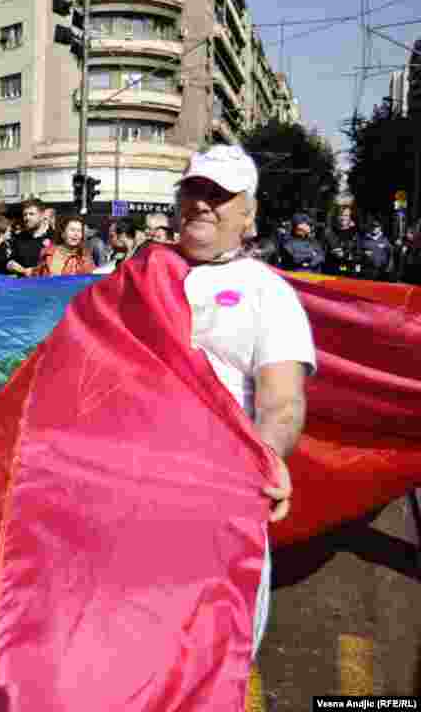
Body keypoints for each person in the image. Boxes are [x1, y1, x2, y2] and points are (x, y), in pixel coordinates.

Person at [175, 144, 316, 653]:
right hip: (130, 498)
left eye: (220, 193)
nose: (203, 203)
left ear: (248, 214)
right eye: (195, 189)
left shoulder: (267, 292)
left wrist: (266, 455)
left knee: (210, 662)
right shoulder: (137, 276)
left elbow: (282, 403)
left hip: (219, 505)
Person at [7, 199, 53, 277]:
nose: (27, 218)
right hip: (23, 286)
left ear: (42, 215)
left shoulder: (55, 237)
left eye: (31, 214)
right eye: (25, 214)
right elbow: (11, 262)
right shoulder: (19, 238)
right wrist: (10, 265)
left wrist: (34, 271)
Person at [322, 206, 361, 276]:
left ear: (350, 217)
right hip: (331, 272)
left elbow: (359, 254)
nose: (343, 218)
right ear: (336, 216)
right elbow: (321, 253)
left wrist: (348, 255)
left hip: (350, 273)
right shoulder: (329, 232)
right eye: (341, 215)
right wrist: (331, 253)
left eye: (346, 215)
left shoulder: (355, 233)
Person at [358, 215, 393, 281]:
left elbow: (390, 253)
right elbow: (358, 252)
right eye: (373, 226)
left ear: (380, 228)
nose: (374, 228)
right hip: (368, 270)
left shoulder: (384, 239)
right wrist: (364, 253)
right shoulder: (365, 239)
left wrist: (388, 267)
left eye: (376, 227)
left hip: (381, 271)